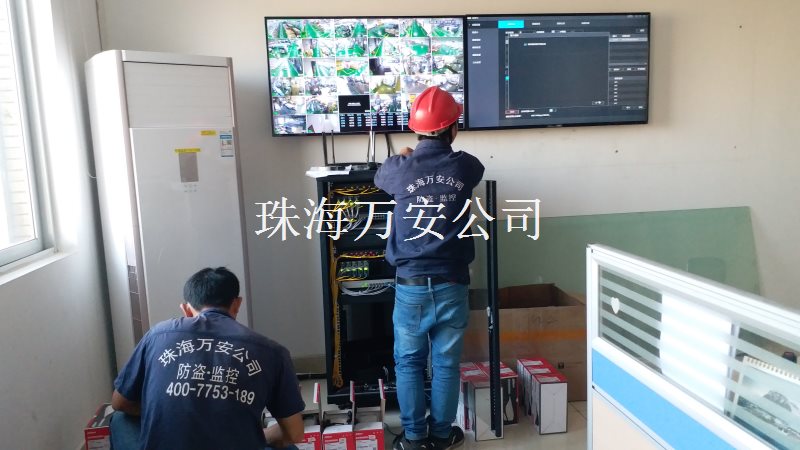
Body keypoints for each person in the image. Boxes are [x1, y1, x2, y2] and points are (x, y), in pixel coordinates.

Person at [374, 86, 485, 450]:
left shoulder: (399, 169)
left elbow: (382, 175)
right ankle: (441, 435)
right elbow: (474, 170)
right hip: (452, 282)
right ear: (454, 128)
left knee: (408, 362)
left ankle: (413, 438)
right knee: (446, 364)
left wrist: (405, 155)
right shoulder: (465, 165)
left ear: (415, 130)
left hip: (410, 286)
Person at [110, 267, 305, 450]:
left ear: (186, 309)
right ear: (237, 304)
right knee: (289, 446)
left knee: (120, 420)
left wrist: (166, 411)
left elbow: (119, 403)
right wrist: (261, 436)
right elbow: (294, 433)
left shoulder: (157, 335)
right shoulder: (272, 352)